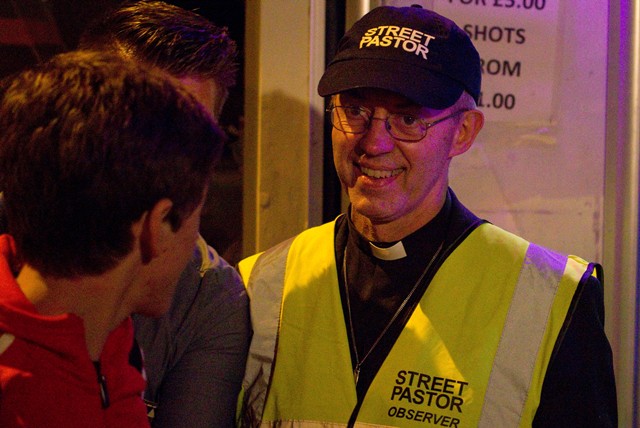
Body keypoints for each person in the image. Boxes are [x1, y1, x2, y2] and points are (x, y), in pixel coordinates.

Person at [237, 5, 617, 427]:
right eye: (355, 110)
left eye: (408, 118)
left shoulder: (553, 302)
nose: (374, 143)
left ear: (464, 132)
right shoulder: (259, 286)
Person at [0, 50, 223, 427]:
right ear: (159, 225)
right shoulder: (16, 392)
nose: (197, 241)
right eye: (196, 213)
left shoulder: (109, 345)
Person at [77, 2, 251, 426]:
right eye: (139, 126)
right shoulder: (14, 240)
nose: (165, 162)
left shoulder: (207, 295)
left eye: (190, 138)